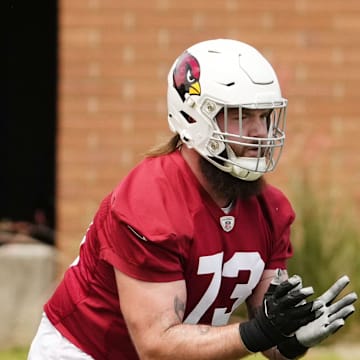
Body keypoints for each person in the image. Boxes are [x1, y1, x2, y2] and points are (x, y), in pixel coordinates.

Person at [28, 39, 357, 360]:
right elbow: (157, 345)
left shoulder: (271, 209)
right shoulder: (150, 201)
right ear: (194, 117)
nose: (260, 132)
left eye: (265, 116)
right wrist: (262, 331)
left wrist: (292, 339)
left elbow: (268, 332)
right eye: (242, 116)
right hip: (86, 351)